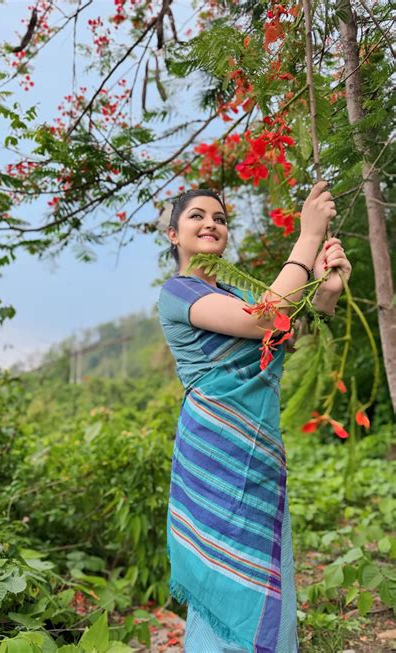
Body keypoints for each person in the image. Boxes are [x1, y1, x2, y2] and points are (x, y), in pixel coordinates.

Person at [156, 182, 352, 653]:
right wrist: (306, 239)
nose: (211, 224)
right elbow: (265, 317)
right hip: (213, 451)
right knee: (220, 575)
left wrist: (326, 294)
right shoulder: (177, 292)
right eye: (197, 216)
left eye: (220, 219)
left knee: (264, 570)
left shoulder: (235, 290)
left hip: (261, 450)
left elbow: (290, 328)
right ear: (172, 234)